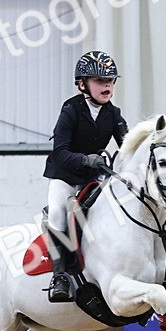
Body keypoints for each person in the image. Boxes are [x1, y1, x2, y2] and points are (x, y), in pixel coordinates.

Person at [42, 50, 129, 303]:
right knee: (58, 212)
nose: (107, 86)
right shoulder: (70, 110)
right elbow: (59, 153)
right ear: (82, 84)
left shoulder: (113, 114)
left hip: (94, 177)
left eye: (111, 81)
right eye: (100, 81)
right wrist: (85, 159)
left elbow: (127, 146)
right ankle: (59, 276)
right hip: (65, 176)